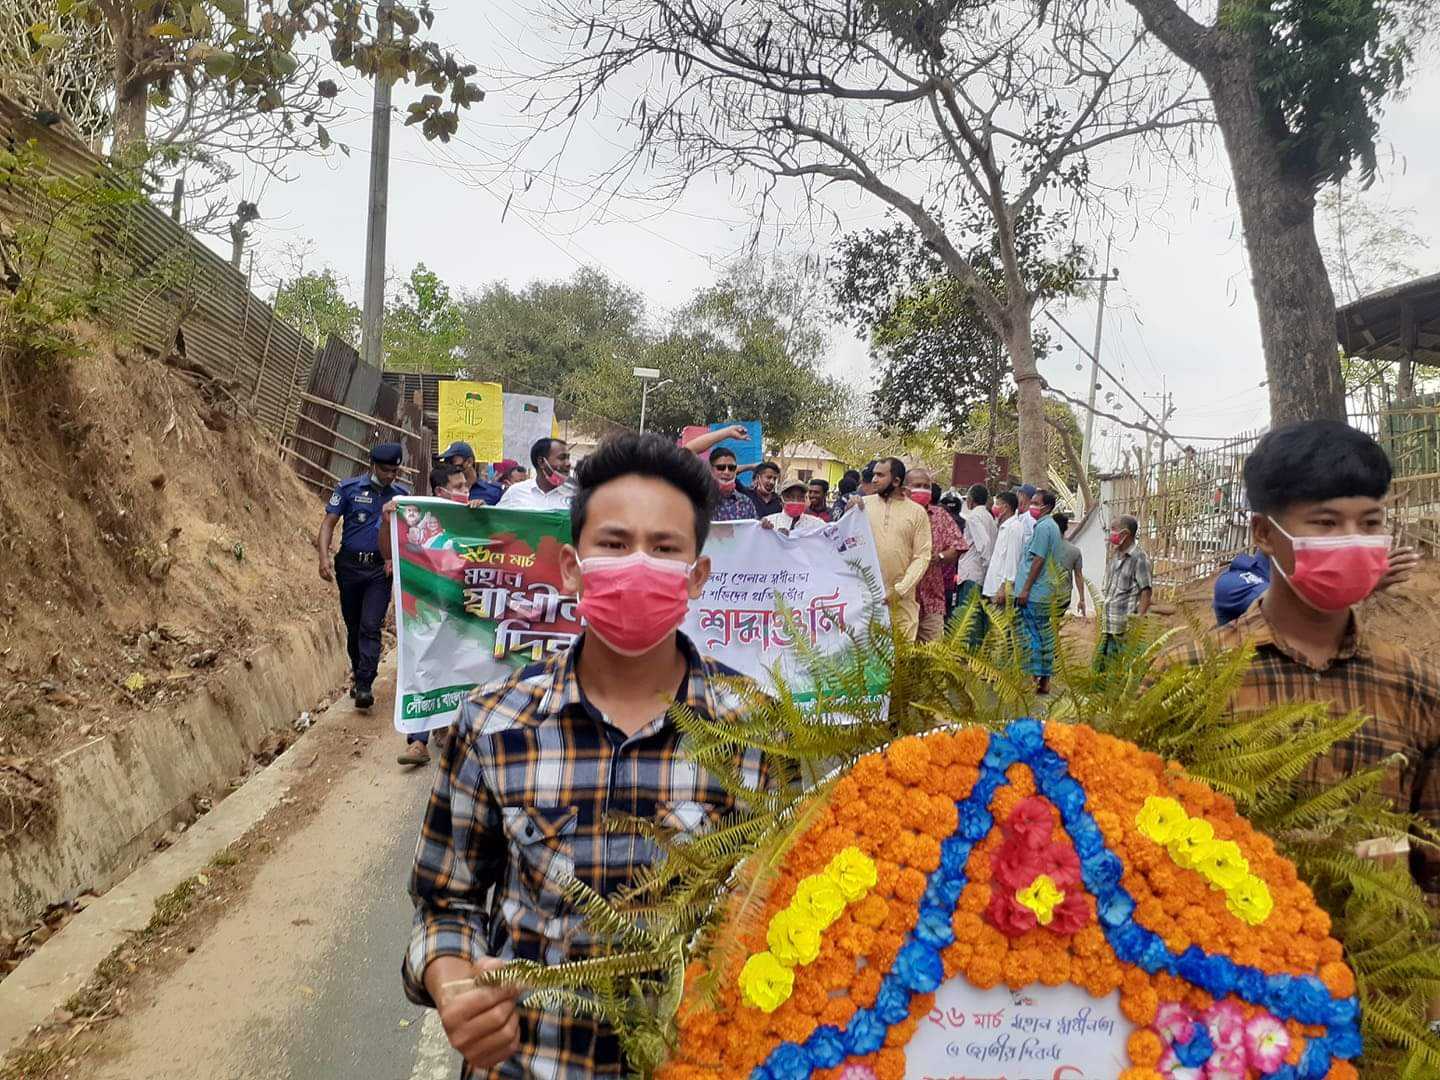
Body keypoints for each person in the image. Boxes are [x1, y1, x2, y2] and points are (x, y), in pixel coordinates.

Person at [403, 432, 767, 1077]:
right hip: (528, 1064)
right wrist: (454, 985)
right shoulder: (493, 723)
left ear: (697, 575)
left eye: (664, 549)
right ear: (572, 567)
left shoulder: (755, 732)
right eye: (614, 544)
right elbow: (446, 902)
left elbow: (782, 910)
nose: (637, 565)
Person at [1151, 419, 1440, 908]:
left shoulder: (1416, 686)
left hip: (1378, 972)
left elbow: (1432, 867)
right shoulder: (1187, 677)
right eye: (1326, 523)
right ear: (1264, 533)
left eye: (1370, 523)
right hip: (1223, 968)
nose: (1352, 540)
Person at [317, 442, 409, 712]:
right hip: (349, 567)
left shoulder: (400, 497)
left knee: (371, 625)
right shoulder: (348, 489)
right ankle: (359, 674)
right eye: (386, 470)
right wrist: (323, 557)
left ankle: (366, 684)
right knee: (354, 626)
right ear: (373, 465)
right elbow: (328, 524)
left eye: (395, 470)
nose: (391, 475)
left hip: (380, 570)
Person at [862, 457, 932, 642]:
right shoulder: (862, 505)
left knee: (901, 663)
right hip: (866, 601)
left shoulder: (917, 512)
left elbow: (922, 556)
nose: (874, 479)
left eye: (880, 475)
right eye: (874, 475)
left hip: (902, 602)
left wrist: (899, 590)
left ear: (896, 481)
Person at [1014, 489, 1063, 694]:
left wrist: (1025, 588)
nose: (1032, 505)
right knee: (1044, 637)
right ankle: (1044, 681)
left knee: (1032, 636)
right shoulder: (1048, 526)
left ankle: (1034, 680)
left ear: (1048, 507)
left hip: (1035, 593)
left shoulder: (1044, 528)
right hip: (1043, 592)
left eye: (1036, 502)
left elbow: (1038, 559)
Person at [907, 466, 963, 643]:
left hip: (932, 598)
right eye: (918, 485)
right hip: (902, 600)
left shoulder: (940, 515)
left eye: (926, 486)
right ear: (905, 487)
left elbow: (957, 546)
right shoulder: (896, 513)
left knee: (934, 653)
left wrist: (938, 558)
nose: (923, 489)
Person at [1095, 514, 1152, 671]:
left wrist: (1138, 622)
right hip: (1109, 625)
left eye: (1113, 529)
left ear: (1125, 534)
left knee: (1123, 671)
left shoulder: (1139, 558)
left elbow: (1146, 592)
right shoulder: (1116, 555)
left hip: (1124, 629)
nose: (1110, 533)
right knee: (1105, 671)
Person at [955, 484, 998, 646]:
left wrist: (986, 564)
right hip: (982, 573)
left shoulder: (974, 517)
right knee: (979, 615)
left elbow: (985, 544)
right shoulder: (989, 517)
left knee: (970, 615)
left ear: (970, 500)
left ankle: (971, 653)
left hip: (973, 572)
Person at [498, 438, 573, 510]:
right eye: (562, 458)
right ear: (541, 462)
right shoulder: (515, 492)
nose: (568, 463)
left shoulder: (574, 495)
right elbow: (496, 520)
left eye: (568, 458)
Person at [982, 490, 1024, 606]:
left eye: (997, 504)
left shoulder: (1014, 528)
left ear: (1005, 507)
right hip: (993, 586)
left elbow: (1012, 560)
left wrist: (1004, 587)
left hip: (1000, 589)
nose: (994, 507)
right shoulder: (1003, 526)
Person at [439, 440, 503, 506]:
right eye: (446, 463)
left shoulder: (494, 492)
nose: (449, 468)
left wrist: (485, 510)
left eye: (452, 463)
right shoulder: (444, 491)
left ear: (469, 462)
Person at [762, 476, 827, 534]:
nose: (795, 501)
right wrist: (765, 533)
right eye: (790, 497)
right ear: (781, 500)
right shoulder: (770, 522)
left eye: (800, 497)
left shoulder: (817, 524)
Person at [1052, 512, 1087, 618]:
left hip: (1044, 595)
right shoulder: (1075, 551)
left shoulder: (1044, 548)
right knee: (1055, 626)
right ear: (1066, 528)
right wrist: (1081, 599)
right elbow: (1078, 576)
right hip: (1064, 596)